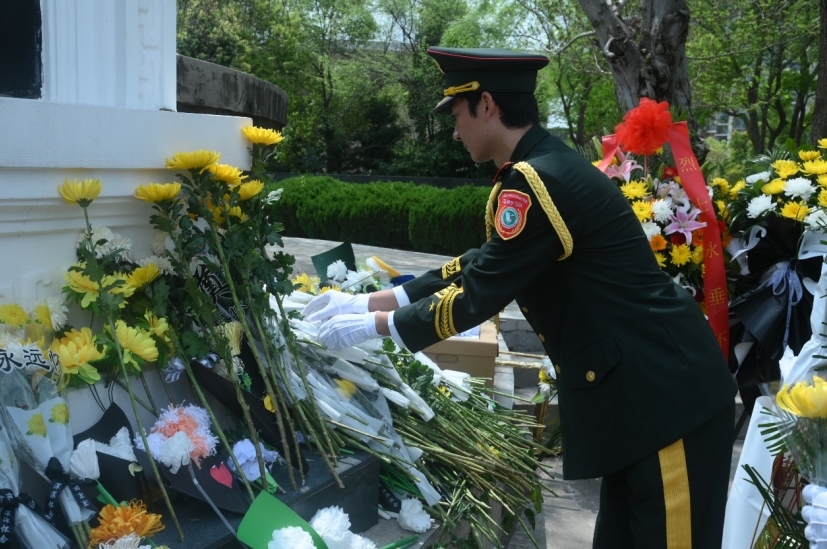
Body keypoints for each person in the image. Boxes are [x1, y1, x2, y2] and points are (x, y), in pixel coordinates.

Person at [303, 46, 737, 549]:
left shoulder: (536, 179)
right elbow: (477, 266)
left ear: (486, 104)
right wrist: (371, 302)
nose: (454, 129)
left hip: (666, 401)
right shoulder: (540, 169)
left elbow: (479, 294)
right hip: (641, 403)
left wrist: (369, 328)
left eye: (457, 113)